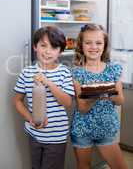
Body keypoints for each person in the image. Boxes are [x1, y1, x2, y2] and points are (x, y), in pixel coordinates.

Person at [13, 26, 75, 169]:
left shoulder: (64, 73)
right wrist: (30, 118)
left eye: (54, 47)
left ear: (60, 51)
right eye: (43, 45)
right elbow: (17, 101)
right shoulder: (27, 72)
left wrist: (48, 83)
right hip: (34, 134)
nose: (48, 51)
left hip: (56, 136)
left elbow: (67, 102)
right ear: (35, 47)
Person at [71, 24, 127, 169]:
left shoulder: (113, 69)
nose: (93, 47)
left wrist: (107, 92)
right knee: (84, 166)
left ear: (104, 45)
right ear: (81, 45)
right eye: (88, 42)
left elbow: (120, 100)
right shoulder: (77, 72)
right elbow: (82, 108)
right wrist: (95, 94)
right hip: (83, 128)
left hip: (107, 128)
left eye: (98, 43)